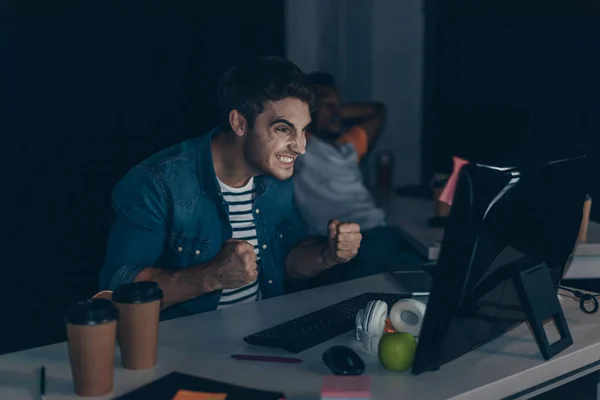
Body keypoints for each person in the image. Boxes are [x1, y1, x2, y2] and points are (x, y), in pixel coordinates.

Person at [99, 57, 362, 320]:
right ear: (239, 123)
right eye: (284, 129)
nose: (301, 146)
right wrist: (209, 277)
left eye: (303, 130)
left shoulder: (275, 179)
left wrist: (327, 255)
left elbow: (285, 263)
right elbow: (116, 291)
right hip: (184, 350)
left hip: (264, 336)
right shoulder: (156, 182)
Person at [291, 72, 424, 290]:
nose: (337, 112)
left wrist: (333, 108)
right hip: (334, 239)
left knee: (428, 276)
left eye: (338, 103)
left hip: (379, 232)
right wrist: (316, 107)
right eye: (325, 103)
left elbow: (378, 112)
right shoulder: (300, 147)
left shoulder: (348, 145)